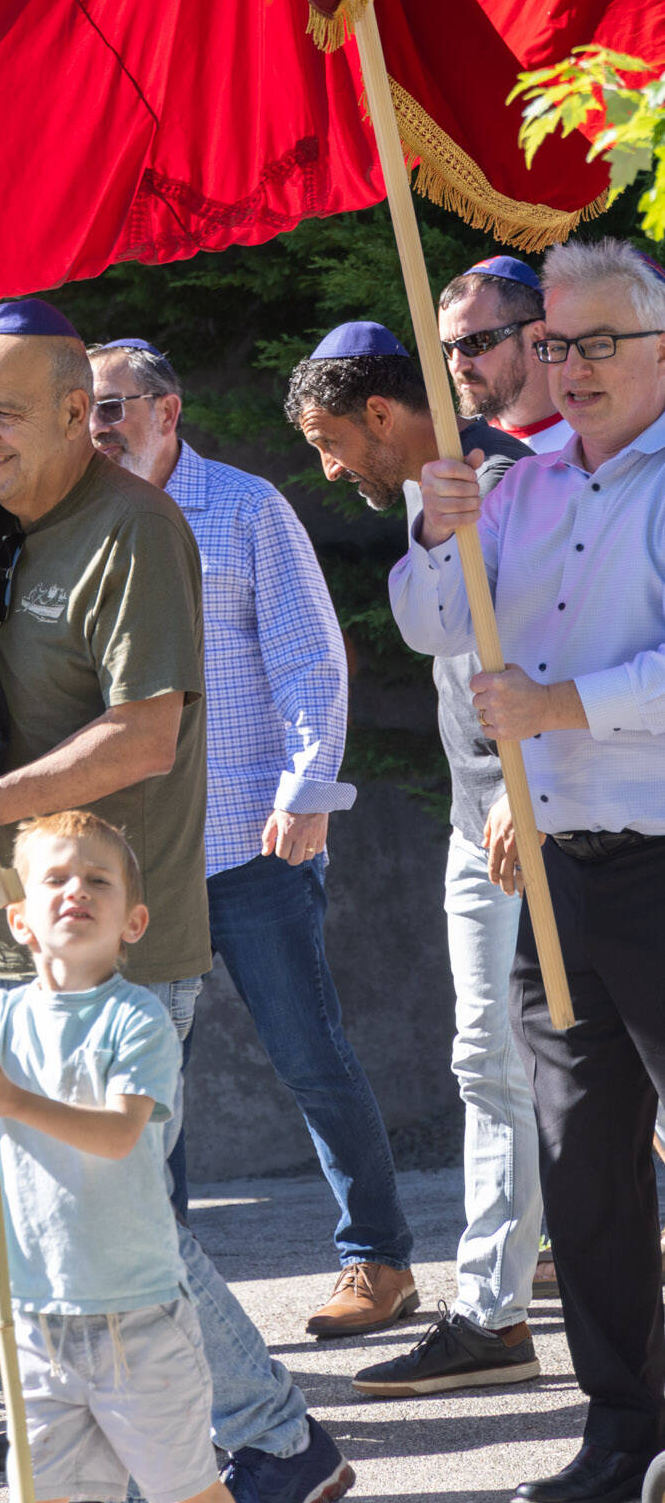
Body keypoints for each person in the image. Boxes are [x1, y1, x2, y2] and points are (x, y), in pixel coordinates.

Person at [0, 299, 354, 1503]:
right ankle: (79, 1418)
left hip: (114, 939)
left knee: (117, 1214)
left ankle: (276, 1439)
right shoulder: (0, 531)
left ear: (73, 418)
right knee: (22, 1211)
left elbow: (143, 737)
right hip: (0, 934)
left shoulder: (131, 529)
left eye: (0, 412)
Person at [388, 237, 665, 1503]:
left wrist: (563, 705)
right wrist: (441, 533)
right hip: (556, 874)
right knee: (585, 1170)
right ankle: (623, 1433)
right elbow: (437, 627)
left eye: (601, 342)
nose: (571, 365)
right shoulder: (528, 481)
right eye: (555, 343)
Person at [88, 337, 417, 1341]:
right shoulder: (71, 525)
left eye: (108, 408)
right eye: (82, 411)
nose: (93, 428)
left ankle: (378, 1259)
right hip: (137, 852)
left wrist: (308, 787)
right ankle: (161, 1284)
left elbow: (308, 657)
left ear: (165, 409)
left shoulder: (241, 509)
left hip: (247, 837)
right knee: (143, 1080)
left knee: (307, 1051)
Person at [285, 319, 543, 1398]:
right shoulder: (427, 487)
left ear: (378, 416)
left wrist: (525, 786)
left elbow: (545, 634)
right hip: (473, 815)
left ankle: (505, 1304)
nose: (329, 464)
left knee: (578, 1061)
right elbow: (433, 628)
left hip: (537, 808)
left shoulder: (513, 479)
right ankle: (491, 1313)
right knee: (491, 1062)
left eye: (330, 441)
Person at [0, 811, 226, 1503]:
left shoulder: (136, 1018)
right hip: (30, 1313)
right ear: (19, 921)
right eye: (54, 879)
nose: (74, 891)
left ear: (133, 922)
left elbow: (118, 1135)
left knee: (187, 1490)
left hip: (135, 1314)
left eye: (96, 880)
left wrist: (13, 1100)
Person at [439, 255, 571, 453]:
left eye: (475, 342)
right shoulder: (460, 454)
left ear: (537, 338)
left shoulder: (599, 443)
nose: (457, 365)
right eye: (448, 348)